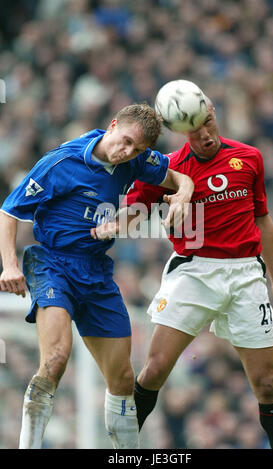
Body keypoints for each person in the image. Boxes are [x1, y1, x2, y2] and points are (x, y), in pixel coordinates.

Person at [94, 94, 273, 449]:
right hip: (193, 273)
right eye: (193, 129)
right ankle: (122, 452)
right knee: (154, 370)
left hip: (247, 275)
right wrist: (109, 226)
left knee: (266, 384)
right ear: (179, 131)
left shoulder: (249, 158)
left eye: (207, 123)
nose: (204, 134)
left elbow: (263, 221)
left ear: (213, 114)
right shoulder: (167, 168)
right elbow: (134, 212)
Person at [0, 103, 194, 450]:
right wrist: (9, 265)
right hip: (51, 264)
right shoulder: (61, 163)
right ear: (113, 124)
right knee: (56, 359)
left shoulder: (136, 160)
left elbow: (177, 176)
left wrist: (184, 192)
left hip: (96, 272)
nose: (128, 152)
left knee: (122, 379)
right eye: (125, 141)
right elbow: (8, 211)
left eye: (137, 149)